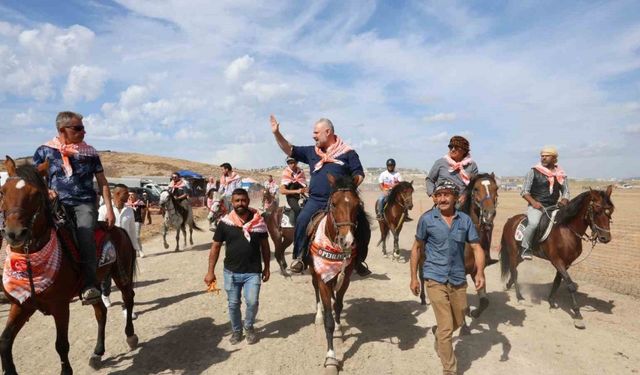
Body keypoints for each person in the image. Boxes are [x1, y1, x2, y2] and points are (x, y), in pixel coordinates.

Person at [269, 114, 372, 276]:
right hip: (316, 200)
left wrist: (346, 189)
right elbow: (289, 149)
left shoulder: (348, 153)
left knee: (364, 225)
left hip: (341, 203)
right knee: (302, 220)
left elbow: (359, 174)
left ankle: (359, 260)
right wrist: (276, 133)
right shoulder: (312, 152)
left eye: (316, 133)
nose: (313, 136)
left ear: (328, 132)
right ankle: (299, 257)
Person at [33, 111, 115, 305]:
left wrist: (109, 208)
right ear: (62, 130)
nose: (83, 132)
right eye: (78, 128)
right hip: (55, 204)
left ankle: (89, 285)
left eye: (83, 128)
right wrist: (46, 190)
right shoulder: (44, 151)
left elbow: (102, 182)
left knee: (85, 235)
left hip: (84, 203)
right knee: (32, 231)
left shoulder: (90, 152)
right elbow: (34, 178)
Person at [410, 180, 486, 375]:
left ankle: (438, 335)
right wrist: (414, 278)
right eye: (439, 195)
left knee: (459, 320)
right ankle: (449, 369)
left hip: (458, 278)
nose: (443, 198)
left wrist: (480, 272)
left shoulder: (465, 220)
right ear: (434, 198)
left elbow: (477, 247)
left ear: (455, 197)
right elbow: (416, 248)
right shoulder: (427, 220)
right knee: (446, 327)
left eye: (447, 194)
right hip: (434, 277)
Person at [204, 188, 270, 345]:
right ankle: (236, 330)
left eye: (244, 200)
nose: (241, 203)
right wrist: (210, 272)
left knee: (252, 302)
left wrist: (267, 267)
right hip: (231, 273)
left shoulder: (258, 221)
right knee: (233, 304)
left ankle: (248, 327)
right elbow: (215, 247)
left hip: (253, 272)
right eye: (237, 201)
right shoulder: (225, 223)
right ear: (232, 203)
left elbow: (265, 247)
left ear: (248, 201)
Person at [520, 146, 570, 260]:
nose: (543, 158)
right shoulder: (533, 171)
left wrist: (564, 200)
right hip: (537, 207)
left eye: (547, 156)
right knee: (533, 224)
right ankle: (525, 248)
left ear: (554, 158)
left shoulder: (561, 174)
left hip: (555, 206)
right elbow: (524, 191)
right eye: (542, 156)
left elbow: (566, 192)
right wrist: (533, 203)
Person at [98, 184, 139, 319]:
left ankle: (126, 307)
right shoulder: (104, 210)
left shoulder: (130, 211)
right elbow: (98, 233)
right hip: (108, 250)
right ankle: (105, 293)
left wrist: (134, 248)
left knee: (126, 280)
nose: (129, 196)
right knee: (106, 277)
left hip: (125, 251)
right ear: (116, 194)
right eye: (125, 193)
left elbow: (132, 231)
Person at [425, 136, 478, 207]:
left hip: (464, 205)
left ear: (464, 150)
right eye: (451, 147)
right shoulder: (440, 162)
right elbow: (430, 180)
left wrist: (465, 195)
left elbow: (475, 185)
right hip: (442, 202)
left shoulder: (472, 165)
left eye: (456, 147)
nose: (452, 150)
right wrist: (433, 194)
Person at [279, 156, 308, 222]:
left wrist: (306, 189)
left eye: (294, 162)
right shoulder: (286, 173)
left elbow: (304, 185)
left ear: (297, 162)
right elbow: (282, 191)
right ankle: (297, 229)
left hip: (302, 196)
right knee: (298, 210)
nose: (292, 164)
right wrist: (297, 191)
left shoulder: (301, 171)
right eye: (290, 163)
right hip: (291, 197)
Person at [126, 190, 147, 258]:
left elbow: (144, 211)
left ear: (136, 195)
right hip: (129, 221)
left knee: (137, 236)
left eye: (132, 194)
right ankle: (135, 251)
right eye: (129, 195)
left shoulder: (140, 202)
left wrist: (143, 220)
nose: (131, 196)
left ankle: (140, 250)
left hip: (137, 220)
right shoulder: (126, 203)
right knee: (130, 236)